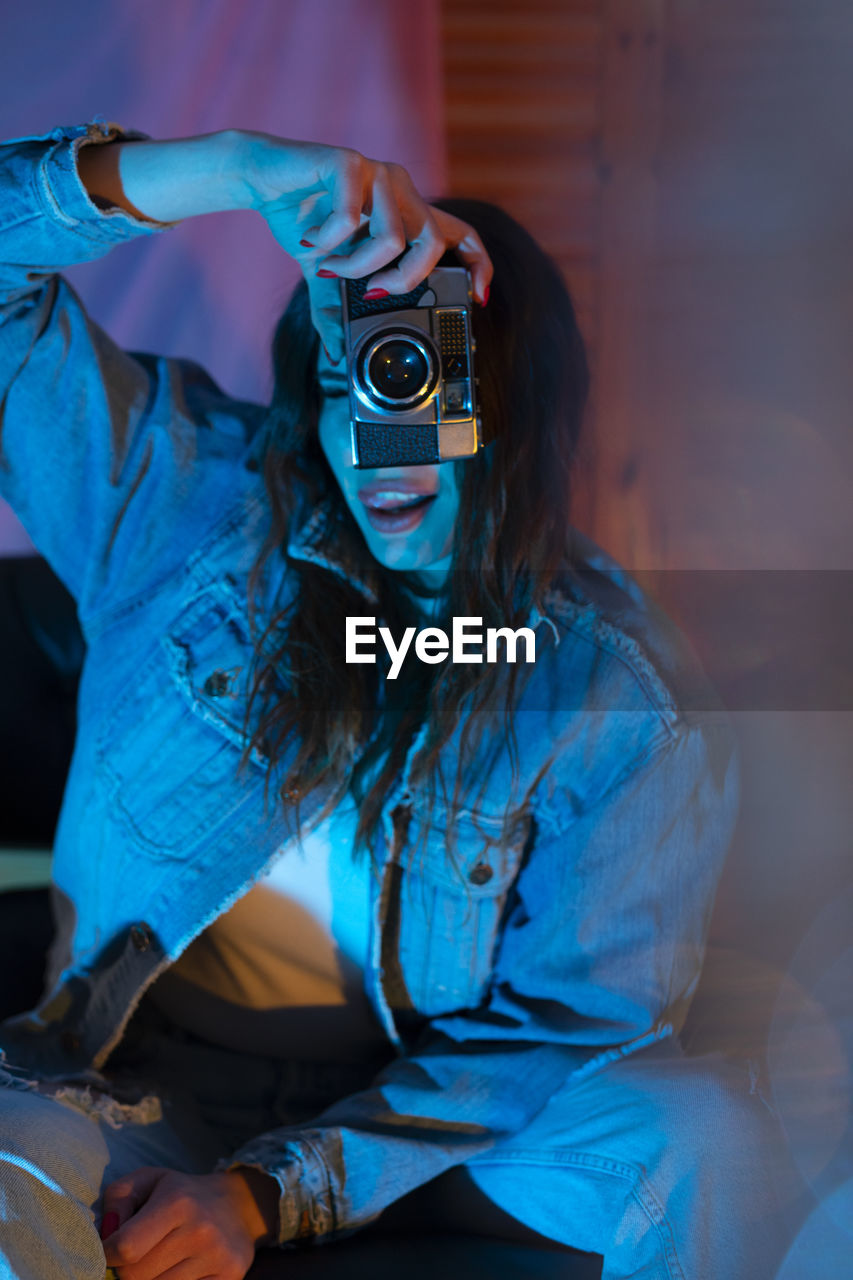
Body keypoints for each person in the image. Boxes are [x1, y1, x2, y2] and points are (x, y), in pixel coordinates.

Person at [0, 119, 795, 1280]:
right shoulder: (179, 509)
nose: (381, 439)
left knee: (698, 1139)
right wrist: (231, 170)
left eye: (418, 374)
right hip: (136, 1084)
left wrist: (269, 1193)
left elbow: (567, 1021)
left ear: (520, 415)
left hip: (430, 1122)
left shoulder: (615, 692)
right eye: (350, 376)